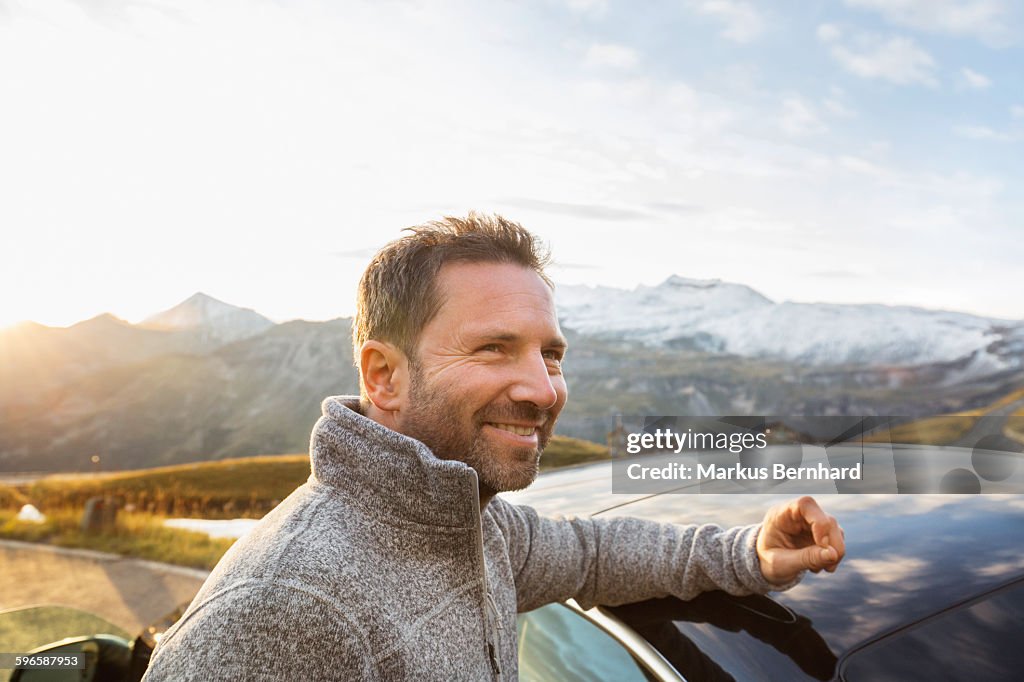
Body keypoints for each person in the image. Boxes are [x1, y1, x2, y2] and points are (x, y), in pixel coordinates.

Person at [143, 213, 845, 681]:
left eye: (551, 355)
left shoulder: (476, 528)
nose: (543, 391)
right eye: (493, 349)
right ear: (383, 376)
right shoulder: (288, 603)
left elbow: (595, 555)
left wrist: (749, 554)